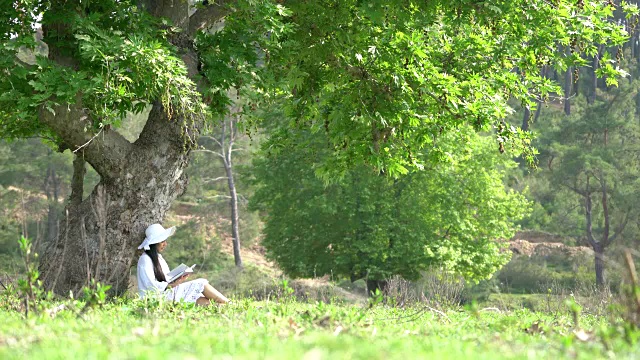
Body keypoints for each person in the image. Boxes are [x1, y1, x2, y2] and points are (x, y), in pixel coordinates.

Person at [136, 223, 229, 306]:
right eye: (162, 241)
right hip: (156, 298)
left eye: (165, 241)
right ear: (154, 243)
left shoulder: (158, 258)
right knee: (201, 283)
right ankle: (229, 304)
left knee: (200, 298)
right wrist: (173, 284)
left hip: (165, 294)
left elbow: (167, 279)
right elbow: (150, 286)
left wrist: (179, 279)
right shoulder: (145, 260)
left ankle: (227, 306)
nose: (165, 244)